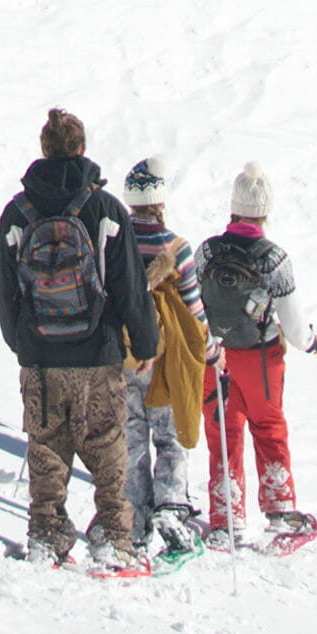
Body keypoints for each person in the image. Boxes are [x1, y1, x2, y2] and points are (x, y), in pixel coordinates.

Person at [0, 107, 158, 570]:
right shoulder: (105, 210)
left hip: (40, 358)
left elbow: (2, 286)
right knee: (108, 450)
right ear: (82, 149)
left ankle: (46, 533)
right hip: (97, 355)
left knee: (46, 448)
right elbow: (129, 286)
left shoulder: (17, 213)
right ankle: (112, 538)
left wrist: (21, 341)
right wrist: (145, 344)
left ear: (43, 150)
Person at [197, 161, 317, 543]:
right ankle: (280, 510)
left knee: (223, 433)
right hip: (262, 360)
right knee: (268, 427)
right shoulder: (274, 258)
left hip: (215, 359)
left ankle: (225, 518)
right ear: (264, 210)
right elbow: (295, 326)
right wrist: (310, 341)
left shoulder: (207, 252)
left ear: (233, 207)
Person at [118, 155, 207, 554]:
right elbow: (193, 311)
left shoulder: (114, 244)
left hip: (123, 358)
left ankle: (134, 519)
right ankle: (172, 506)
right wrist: (212, 349)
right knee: (169, 437)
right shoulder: (176, 247)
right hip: (167, 360)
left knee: (132, 437)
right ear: (160, 201)